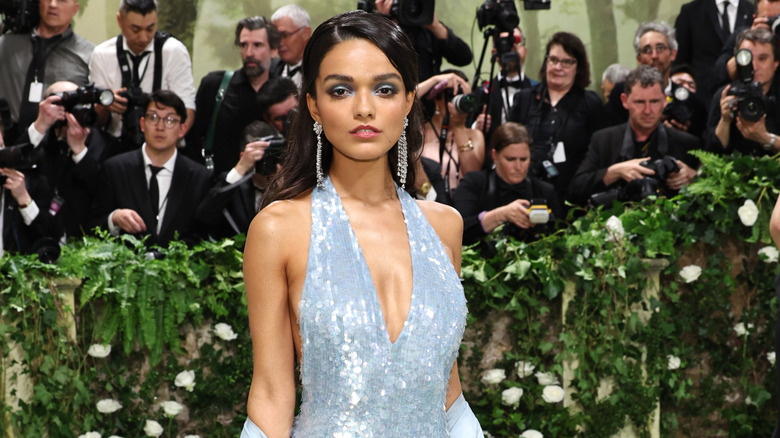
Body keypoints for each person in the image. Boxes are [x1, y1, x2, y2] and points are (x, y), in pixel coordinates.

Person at [240, 11, 482, 437]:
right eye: (341, 90)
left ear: (408, 100)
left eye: (384, 89)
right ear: (313, 104)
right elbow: (273, 394)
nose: (364, 108)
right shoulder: (279, 229)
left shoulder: (445, 226)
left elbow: (447, 390)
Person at [89, 90, 211, 247]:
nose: (160, 127)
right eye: (152, 118)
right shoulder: (115, 169)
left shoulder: (199, 177)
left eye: (170, 120)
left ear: (182, 129)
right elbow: (92, 225)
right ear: (142, 124)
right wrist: (114, 218)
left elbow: (203, 234)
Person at [569, 66, 700, 206]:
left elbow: (709, 198)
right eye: (640, 102)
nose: (648, 111)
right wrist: (614, 172)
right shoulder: (603, 141)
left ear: (664, 100)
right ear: (625, 101)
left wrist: (692, 179)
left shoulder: (687, 143)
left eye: (654, 102)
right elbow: (575, 191)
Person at [507, 31, 604, 207]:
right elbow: (507, 144)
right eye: (553, 60)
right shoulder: (525, 98)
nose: (558, 67)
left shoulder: (590, 103)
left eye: (566, 62)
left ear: (578, 66)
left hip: (573, 196)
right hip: (524, 193)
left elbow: (598, 154)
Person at [89, 0, 196, 151]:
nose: (144, 37)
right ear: (120, 20)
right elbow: (96, 122)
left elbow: (187, 111)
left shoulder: (174, 51)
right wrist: (106, 103)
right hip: (114, 147)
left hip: (164, 148)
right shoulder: (102, 55)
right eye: (135, 29)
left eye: (150, 29)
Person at [184, 16, 280, 174]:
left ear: (274, 50)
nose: (249, 53)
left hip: (266, 189)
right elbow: (192, 140)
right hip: (219, 185)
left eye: (257, 45)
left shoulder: (281, 94)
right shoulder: (215, 85)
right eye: (243, 45)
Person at [15, 81, 111, 239]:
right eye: (60, 103)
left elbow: (103, 191)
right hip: (36, 235)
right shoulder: (40, 138)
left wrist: (80, 150)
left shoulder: (101, 143)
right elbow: (14, 163)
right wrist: (40, 125)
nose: (68, 110)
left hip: (82, 237)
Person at [452, 122, 561, 246]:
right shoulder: (475, 183)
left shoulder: (545, 191)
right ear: (495, 156)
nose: (518, 167)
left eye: (523, 159)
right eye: (511, 159)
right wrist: (501, 215)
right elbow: (458, 231)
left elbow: (557, 240)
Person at [0, 0, 93, 142]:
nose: (53, 5)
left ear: (75, 8)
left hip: (57, 141)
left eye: (62, 0)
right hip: (8, 137)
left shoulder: (88, 55)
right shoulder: (6, 45)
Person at [706, 27, 780, 155]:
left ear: (775, 63)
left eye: (762, 59)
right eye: (747, 58)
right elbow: (711, 153)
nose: (754, 66)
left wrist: (765, 138)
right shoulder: (727, 94)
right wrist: (725, 120)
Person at [470, 26, 538, 158]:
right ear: (494, 53)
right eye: (504, 44)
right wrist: (477, 127)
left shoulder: (538, 92)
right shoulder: (481, 93)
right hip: (489, 165)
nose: (510, 48)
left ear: (525, 50)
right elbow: (464, 133)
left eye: (515, 42)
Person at [419, 70, 486, 202]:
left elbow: (471, 174)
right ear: (437, 99)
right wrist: (435, 80)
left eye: (462, 97)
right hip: (427, 205)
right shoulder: (419, 132)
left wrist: (459, 127)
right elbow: (401, 100)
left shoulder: (475, 135)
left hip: (463, 208)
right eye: (452, 95)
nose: (457, 103)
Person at [674, 0, 755, 103]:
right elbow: (680, 62)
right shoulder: (690, 12)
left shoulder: (753, 11)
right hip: (702, 102)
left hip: (744, 98)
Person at [373, 0, 472, 81]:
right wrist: (385, 21)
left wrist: (436, 26)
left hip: (428, 101)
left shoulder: (426, 29)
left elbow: (464, 57)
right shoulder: (376, 27)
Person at [270, 5, 311, 88]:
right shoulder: (271, 69)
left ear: (306, 33)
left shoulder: (321, 68)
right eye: (276, 37)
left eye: (285, 35)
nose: (279, 43)